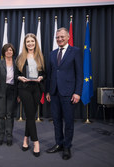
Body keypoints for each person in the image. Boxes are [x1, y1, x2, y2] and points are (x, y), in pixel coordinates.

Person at [45, 27, 83, 160]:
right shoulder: (52, 53)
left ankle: (67, 146)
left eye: (62, 37)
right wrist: (48, 91)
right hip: (54, 92)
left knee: (68, 121)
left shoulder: (76, 51)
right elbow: (49, 74)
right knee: (56, 120)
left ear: (68, 37)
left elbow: (80, 74)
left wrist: (78, 92)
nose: (59, 39)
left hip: (69, 92)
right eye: (57, 37)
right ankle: (59, 144)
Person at [15, 33, 45, 157]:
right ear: (25, 44)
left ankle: (25, 139)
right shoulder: (21, 57)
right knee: (30, 115)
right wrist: (20, 78)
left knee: (31, 115)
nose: (30, 43)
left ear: (35, 42)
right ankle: (36, 142)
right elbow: (16, 74)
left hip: (37, 89)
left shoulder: (40, 57)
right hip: (25, 89)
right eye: (28, 42)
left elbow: (45, 73)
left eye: (32, 41)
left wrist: (41, 77)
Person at [0, 43, 18, 146]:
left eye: (11, 50)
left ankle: (9, 137)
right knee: (0, 115)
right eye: (7, 50)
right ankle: (0, 136)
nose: (9, 52)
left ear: (13, 52)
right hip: (0, 91)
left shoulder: (17, 63)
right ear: (4, 52)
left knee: (9, 115)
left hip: (12, 91)